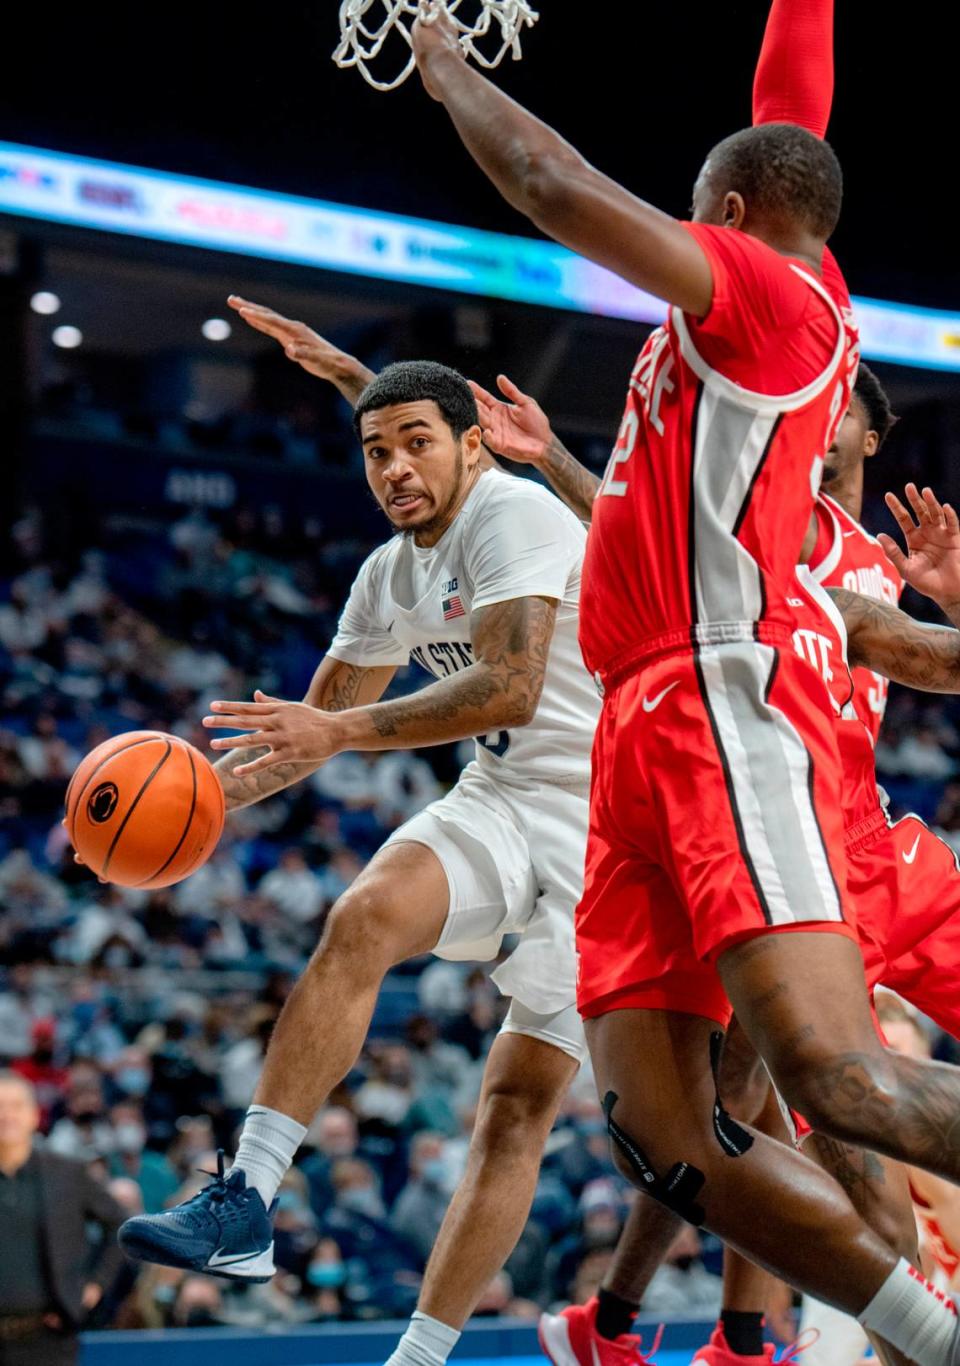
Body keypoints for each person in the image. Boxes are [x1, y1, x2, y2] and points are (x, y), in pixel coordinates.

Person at [409, 5, 960, 1363]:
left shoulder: (766, 299)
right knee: (667, 1135)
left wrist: (443, 67)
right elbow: (793, 108)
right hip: (642, 725)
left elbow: (552, 184)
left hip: (726, 699)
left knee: (836, 1080)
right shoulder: (782, 270)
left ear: (721, 213)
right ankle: (932, 1338)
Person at [116, 358, 603, 1366]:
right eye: (375, 450)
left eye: (417, 441)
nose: (393, 467)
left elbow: (510, 686)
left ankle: (423, 1354)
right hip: (507, 798)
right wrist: (194, 802)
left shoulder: (512, 514)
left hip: (619, 829)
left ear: (472, 443)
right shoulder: (389, 572)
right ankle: (246, 1197)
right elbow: (305, 735)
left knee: (520, 1113)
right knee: (363, 915)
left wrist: (340, 733)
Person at [0, 1071, 125, 1366]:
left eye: (15, 1106)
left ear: (34, 1115)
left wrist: (93, 1287)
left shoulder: (67, 1173)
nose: (6, 1116)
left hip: (48, 1340)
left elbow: (120, 1227)